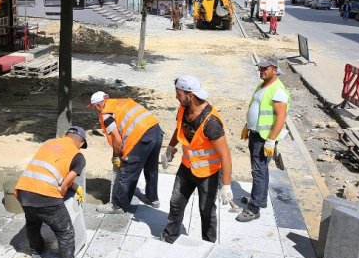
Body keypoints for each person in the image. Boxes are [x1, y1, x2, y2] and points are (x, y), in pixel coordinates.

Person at [160, 76, 233, 243]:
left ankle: (208, 245)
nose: (176, 97)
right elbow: (180, 128)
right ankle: (168, 237)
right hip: (186, 168)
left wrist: (226, 185)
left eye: (179, 94)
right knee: (176, 204)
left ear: (190, 95)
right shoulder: (183, 108)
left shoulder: (211, 122)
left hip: (207, 173)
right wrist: (171, 147)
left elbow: (225, 154)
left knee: (206, 211)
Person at [14, 126, 87, 258]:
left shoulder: (48, 143)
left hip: (23, 191)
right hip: (45, 195)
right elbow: (64, 185)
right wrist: (66, 193)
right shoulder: (79, 157)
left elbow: (47, 169)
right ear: (81, 143)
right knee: (66, 232)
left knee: (32, 222)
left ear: (65, 135)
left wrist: (75, 187)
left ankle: (36, 251)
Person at [89, 91, 164, 213]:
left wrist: (117, 157)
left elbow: (117, 139)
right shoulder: (123, 102)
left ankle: (117, 206)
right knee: (151, 167)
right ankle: (152, 198)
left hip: (141, 137)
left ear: (98, 105)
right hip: (156, 130)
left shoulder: (106, 113)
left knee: (128, 171)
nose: (95, 110)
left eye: (94, 107)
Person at [238, 56, 291, 223]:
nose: (261, 71)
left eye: (265, 69)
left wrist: (271, 139)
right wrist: (249, 125)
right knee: (263, 169)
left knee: (258, 171)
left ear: (274, 70)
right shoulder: (263, 85)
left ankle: (254, 209)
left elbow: (281, 117)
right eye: (260, 68)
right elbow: (258, 109)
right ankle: (261, 200)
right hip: (257, 134)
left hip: (265, 138)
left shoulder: (278, 90)